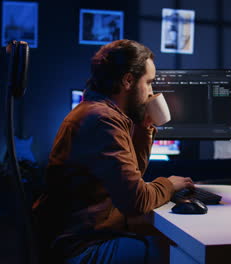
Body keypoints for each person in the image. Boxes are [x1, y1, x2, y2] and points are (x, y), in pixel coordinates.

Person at [33, 39, 194, 264]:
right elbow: (136, 201)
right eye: (148, 83)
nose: (151, 92)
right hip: (80, 250)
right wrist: (169, 185)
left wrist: (145, 128)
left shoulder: (99, 112)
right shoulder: (103, 120)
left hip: (82, 238)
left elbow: (131, 181)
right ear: (128, 80)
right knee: (182, 252)